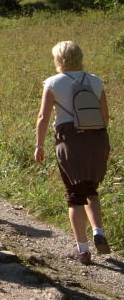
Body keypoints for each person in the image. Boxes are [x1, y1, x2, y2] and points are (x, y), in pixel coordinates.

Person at [35, 41, 112, 265]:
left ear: (59, 59)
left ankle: (83, 250)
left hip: (69, 140)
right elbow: (105, 117)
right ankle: (99, 231)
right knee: (91, 189)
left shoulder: (53, 82)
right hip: (97, 139)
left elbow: (43, 117)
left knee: (74, 194)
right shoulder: (96, 81)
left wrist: (39, 145)